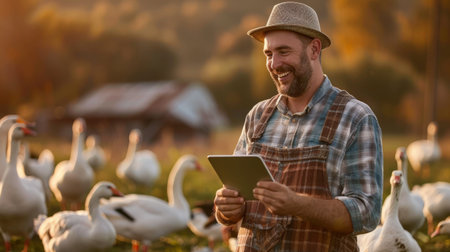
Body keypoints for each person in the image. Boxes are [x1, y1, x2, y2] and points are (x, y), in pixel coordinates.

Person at [213, 2, 383, 252]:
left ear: (314, 49)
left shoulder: (355, 117)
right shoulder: (257, 116)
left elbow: (367, 213)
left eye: (283, 51)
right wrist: (227, 209)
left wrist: (297, 204)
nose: (274, 63)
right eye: (268, 54)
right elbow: (235, 199)